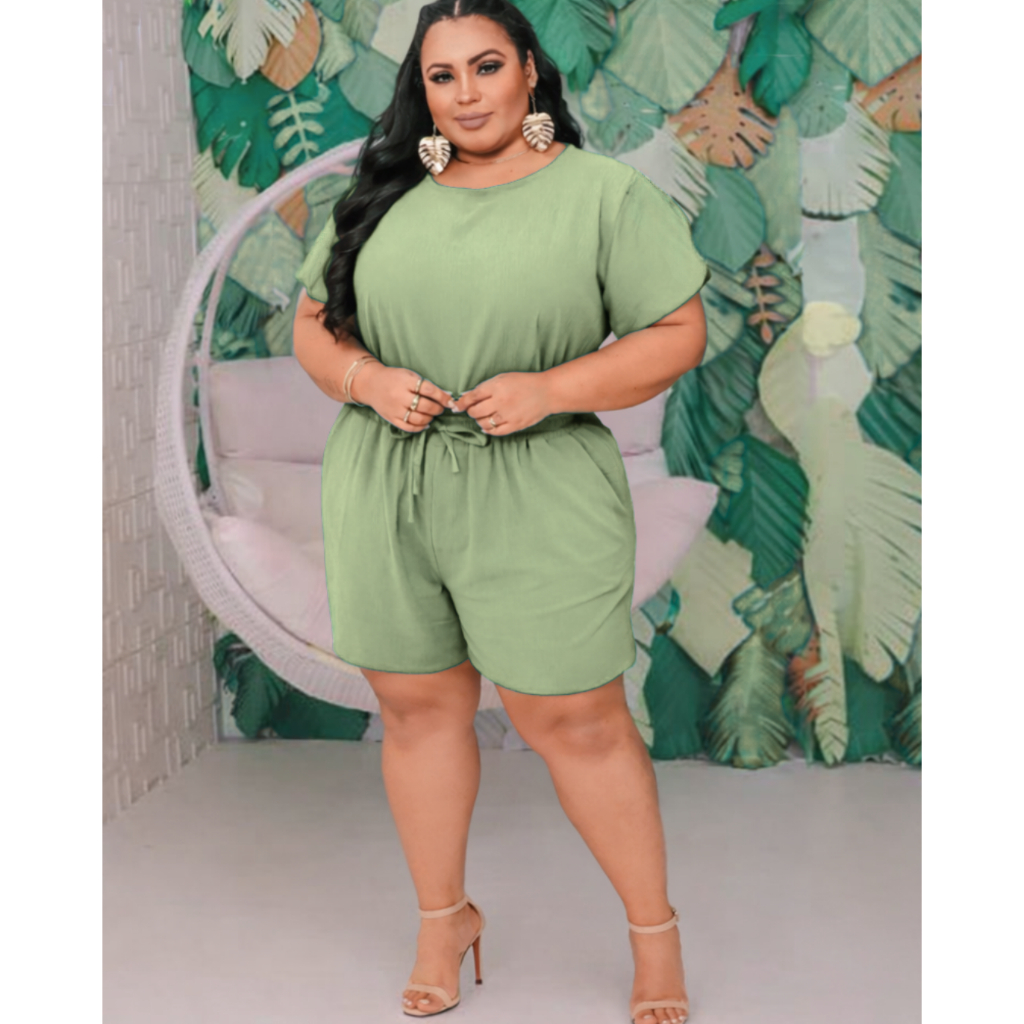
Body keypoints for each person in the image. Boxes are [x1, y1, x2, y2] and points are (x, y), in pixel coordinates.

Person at [291, 2, 709, 1021]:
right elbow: (312, 325)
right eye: (443, 76)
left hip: (540, 483)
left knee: (578, 719)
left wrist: (550, 389)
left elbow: (677, 333)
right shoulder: (384, 193)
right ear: (422, 89)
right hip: (385, 484)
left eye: (486, 67)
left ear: (528, 70)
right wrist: (365, 381)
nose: (466, 93)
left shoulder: (601, 195)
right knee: (416, 709)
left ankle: (654, 936)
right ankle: (444, 920)